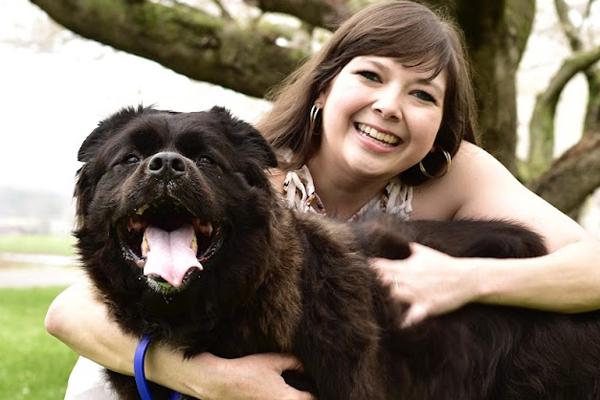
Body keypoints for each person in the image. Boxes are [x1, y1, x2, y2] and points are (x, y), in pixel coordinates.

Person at [45, 1, 600, 399]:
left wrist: (468, 278)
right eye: (370, 75)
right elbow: (70, 310)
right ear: (324, 86)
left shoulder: (460, 174)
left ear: (442, 123)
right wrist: (210, 380)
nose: (389, 106)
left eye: (423, 94)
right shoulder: (242, 172)